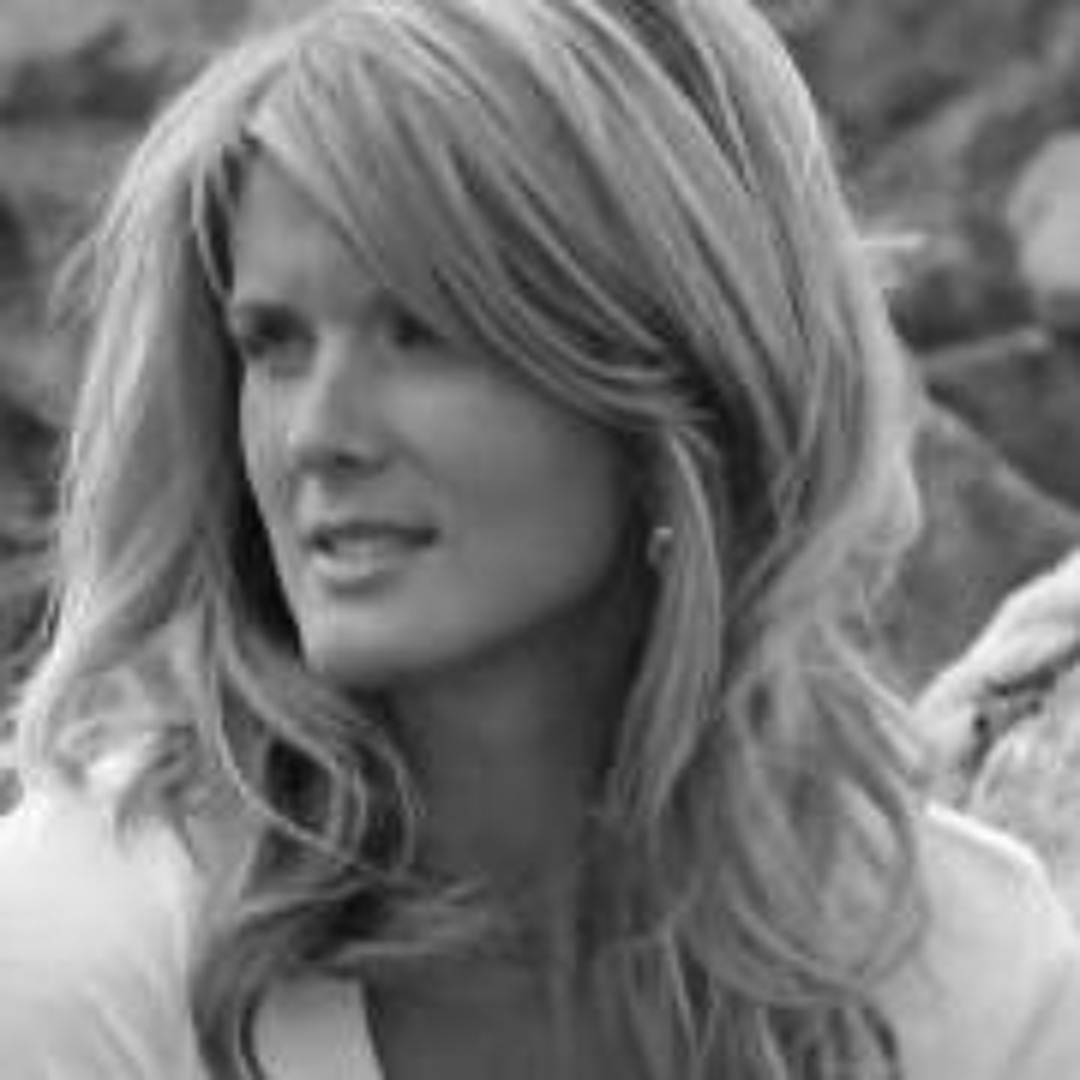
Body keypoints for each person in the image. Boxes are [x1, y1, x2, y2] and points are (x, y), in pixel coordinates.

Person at [1, 1, 1079, 1078]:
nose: (316, 435)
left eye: (420, 332)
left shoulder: (961, 969)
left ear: (672, 385)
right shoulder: (92, 948)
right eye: (273, 344)